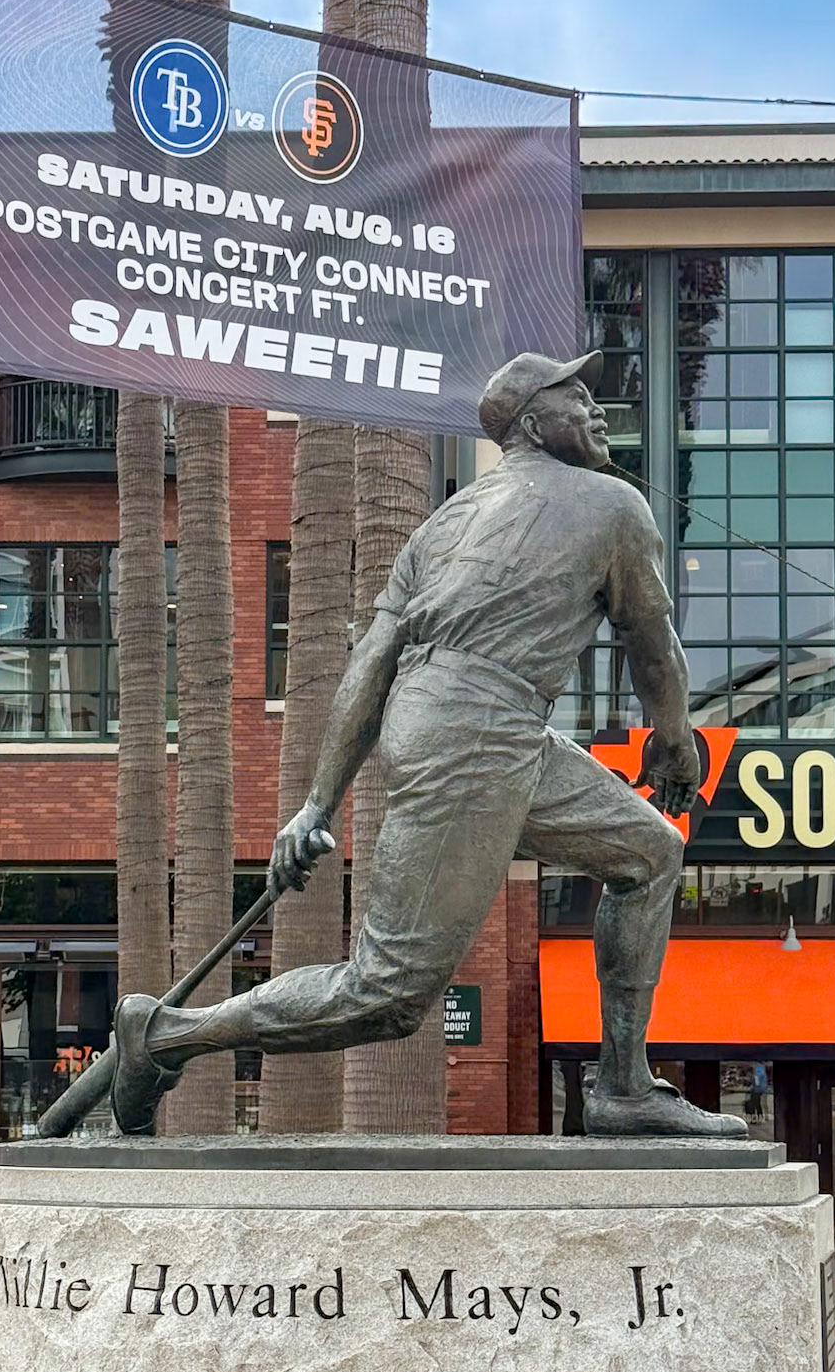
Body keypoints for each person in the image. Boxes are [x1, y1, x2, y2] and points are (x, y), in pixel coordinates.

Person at [107, 348, 748, 1141]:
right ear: (531, 423)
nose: (596, 410)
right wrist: (675, 737)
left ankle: (619, 1088)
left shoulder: (442, 523)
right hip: (473, 735)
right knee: (389, 995)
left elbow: (373, 665)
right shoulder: (611, 506)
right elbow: (650, 641)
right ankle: (164, 1035)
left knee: (647, 854)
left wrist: (317, 802)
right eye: (575, 396)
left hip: (489, 727)